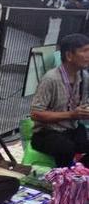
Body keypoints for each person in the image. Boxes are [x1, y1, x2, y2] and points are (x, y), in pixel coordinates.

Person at [30, 34, 89, 167]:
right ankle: (64, 181)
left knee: (80, 142)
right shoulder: (51, 79)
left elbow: (81, 106)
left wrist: (83, 112)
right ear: (69, 56)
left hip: (71, 129)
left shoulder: (84, 77)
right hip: (46, 133)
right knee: (66, 148)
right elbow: (35, 114)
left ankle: (80, 176)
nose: (88, 55)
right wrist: (71, 115)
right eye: (84, 51)